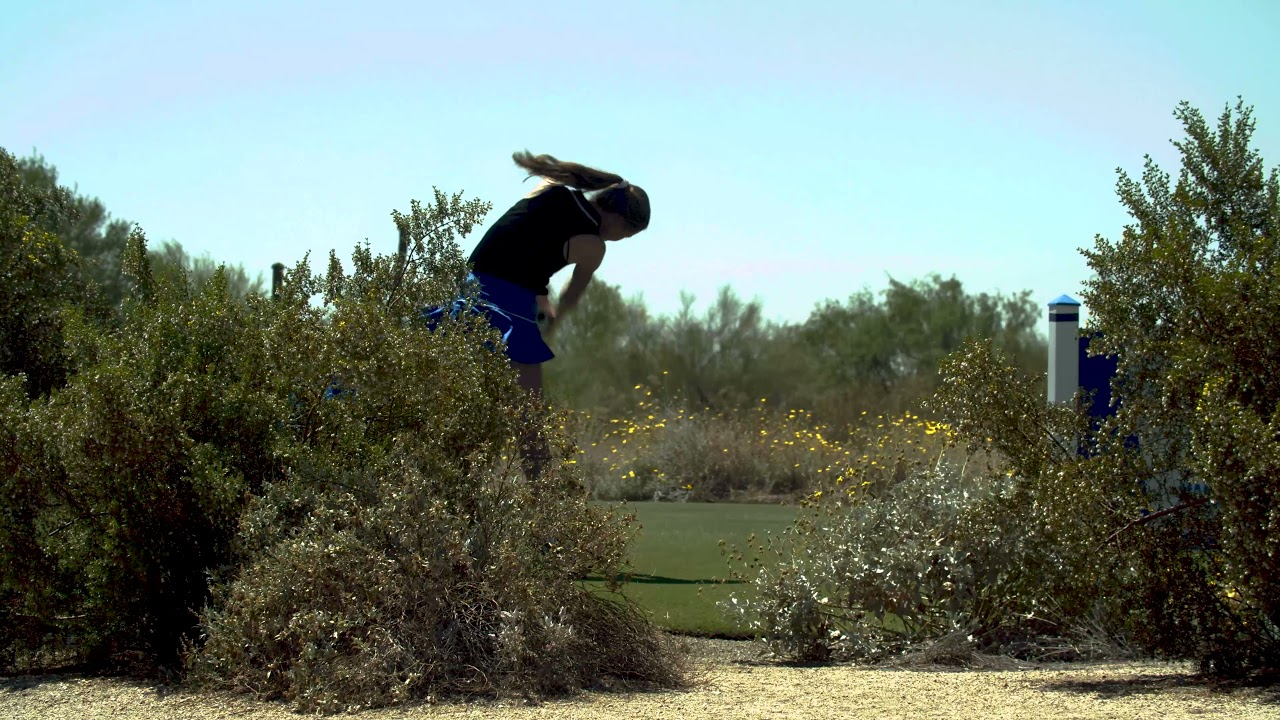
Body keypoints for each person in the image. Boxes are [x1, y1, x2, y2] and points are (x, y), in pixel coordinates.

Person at [425, 151, 650, 477]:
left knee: (450, 396)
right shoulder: (593, 245)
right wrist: (552, 323)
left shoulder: (548, 188)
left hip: (468, 290)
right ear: (618, 220)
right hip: (510, 306)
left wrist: (540, 298)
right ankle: (542, 503)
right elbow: (572, 295)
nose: (620, 240)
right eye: (626, 235)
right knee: (529, 418)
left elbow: (525, 242)